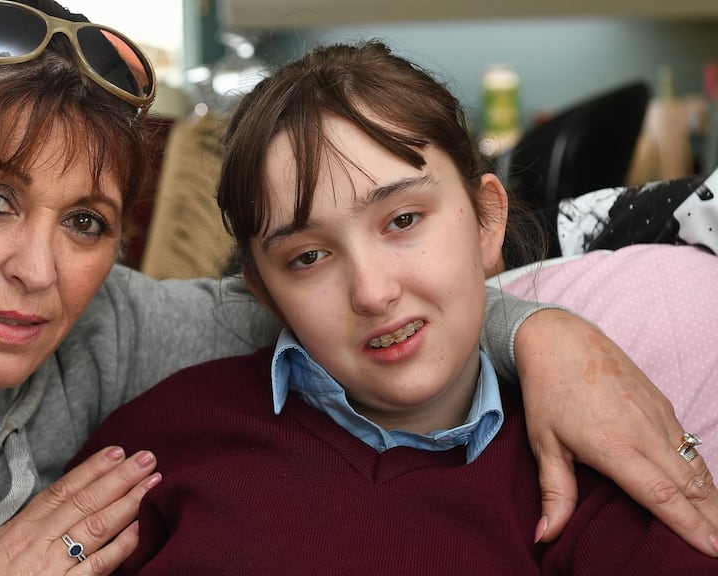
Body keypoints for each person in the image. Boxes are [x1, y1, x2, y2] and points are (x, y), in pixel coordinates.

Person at [0, 0, 712, 572]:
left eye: (86, 221)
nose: (39, 274)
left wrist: (539, 332)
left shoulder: (97, 331)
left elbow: (346, 312)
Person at [69, 40, 718, 574]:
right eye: (308, 257)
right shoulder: (151, 453)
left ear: (486, 221)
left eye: (403, 219)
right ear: (263, 291)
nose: (373, 292)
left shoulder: (584, 476)